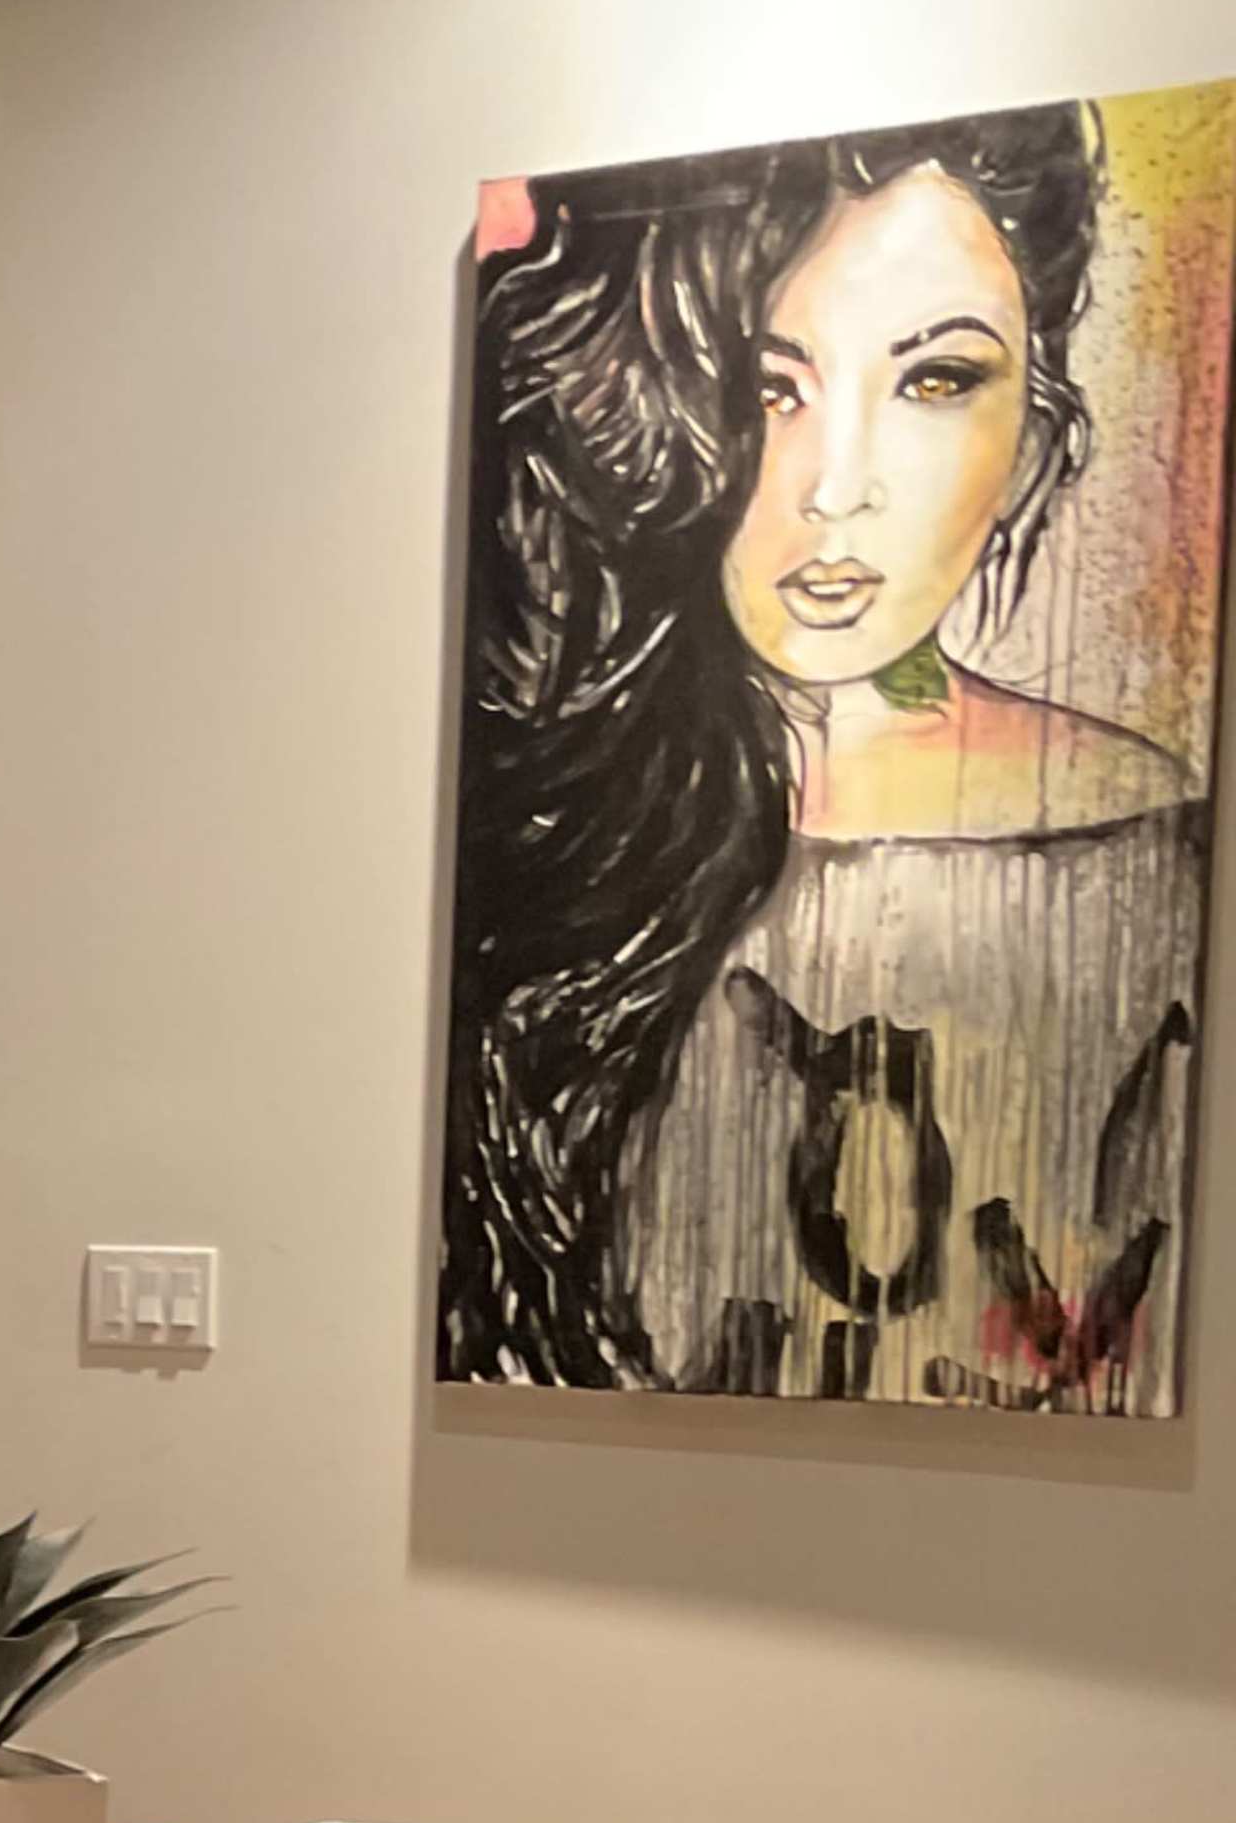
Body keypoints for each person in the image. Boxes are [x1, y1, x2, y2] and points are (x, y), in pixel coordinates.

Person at [442, 101, 1208, 1408]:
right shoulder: (545, 836)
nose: (835, 486)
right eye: (769, 387)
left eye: (935, 380)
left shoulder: (1158, 859)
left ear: (1034, 433)